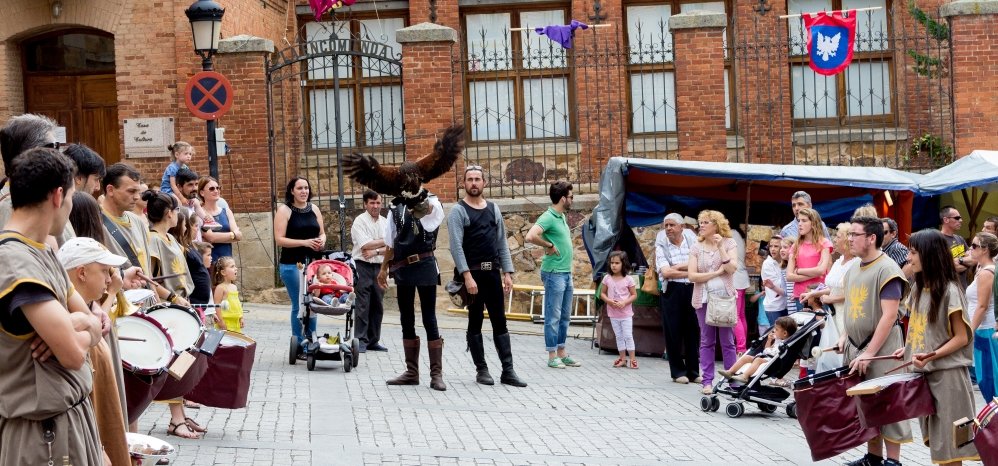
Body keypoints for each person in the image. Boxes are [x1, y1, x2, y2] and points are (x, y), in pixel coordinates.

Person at [0, 147, 105, 465]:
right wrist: (83, 328)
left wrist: (83, 325)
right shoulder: (15, 261)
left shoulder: (42, 250)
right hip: (43, 434)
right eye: (72, 197)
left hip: (68, 421)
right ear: (58, 196)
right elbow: (73, 354)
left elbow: (92, 319)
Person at [838, 216, 911, 466]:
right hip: (857, 347)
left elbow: (890, 315)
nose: (850, 239)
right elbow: (852, 307)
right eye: (849, 235)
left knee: (888, 404)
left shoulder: (887, 268)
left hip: (882, 350)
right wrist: (845, 336)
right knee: (866, 404)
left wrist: (869, 352)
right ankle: (873, 457)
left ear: (871, 238)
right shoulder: (853, 268)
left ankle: (893, 461)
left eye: (854, 234)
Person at [902, 229, 979, 465]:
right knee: (939, 445)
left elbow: (961, 338)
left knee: (952, 449)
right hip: (925, 377)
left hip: (949, 379)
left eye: (913, 252)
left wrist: (931, 354)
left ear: (929, 254)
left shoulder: (950, 290)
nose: (908, 257)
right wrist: (908, 348)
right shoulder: (918, 288)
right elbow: (922, 330)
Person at [447, 166, 527, 387]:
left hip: (492, 274)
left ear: (484, 183)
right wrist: (467, 276)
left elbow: (501, 242)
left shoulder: (493, 209)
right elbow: (456, 247)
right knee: (475, 322)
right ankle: (481, 370)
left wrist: (507, 273)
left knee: (500, 321)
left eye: (477, 179)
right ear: (464, 183)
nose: (474, 183)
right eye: (470, 179)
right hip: (472, 276)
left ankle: (508, 371)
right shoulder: (458, 211)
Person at [57, 237, 132, 466]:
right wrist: (98, 447)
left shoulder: (87, 316)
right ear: (81, 273)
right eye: (104, 271)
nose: (110, 279)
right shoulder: (66, 326)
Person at [380, 189, 447, 391]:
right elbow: (390, 243)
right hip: (403, 266)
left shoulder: (432, 200)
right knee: (406, 318)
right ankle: (412, 372)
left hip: (425, 263)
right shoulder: (394, 206)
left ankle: (436, 374)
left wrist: (419, 200)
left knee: (429, 318)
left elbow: (432, 215)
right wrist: (383, 268)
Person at [99, 163, 180, 305]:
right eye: (131, 191)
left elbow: (146, 271)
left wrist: (155, 303)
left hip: (144, 307)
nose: (137, 197)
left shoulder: (138, 222)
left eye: (138, 192)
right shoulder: (96, 223)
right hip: (117, 308)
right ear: (110, 190)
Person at [525, 181, 581, 369]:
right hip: (554, 273)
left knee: (565, 316)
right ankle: (551, 355)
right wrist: (548, 245)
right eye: (571, 196)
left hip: (566, 273)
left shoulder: (561, 216)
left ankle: (562, 352)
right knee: (553, 315)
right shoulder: (548, 217)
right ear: (563, 198)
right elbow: (530, 236)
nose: (573, 199)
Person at [687, 210, 739, 395]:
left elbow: (731, 268)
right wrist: (716, 273)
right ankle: (707, 382)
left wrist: (721, 248)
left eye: (705, 222)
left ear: (716, 225)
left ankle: (733, 381)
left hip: (724, 297)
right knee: (706, 340)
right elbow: (692, 275)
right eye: (700, 222)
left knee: (727, 341)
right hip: (703, 298)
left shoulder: (729, 243)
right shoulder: (696, 246)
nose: (701, 225)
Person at [274, 177, 325, 350]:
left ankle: (312, 340)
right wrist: (304, 242)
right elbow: (279, 239)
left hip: (313, 265)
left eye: (306, 188)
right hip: (292, 264)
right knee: (300, 303)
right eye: (300, 188)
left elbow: (322, 233)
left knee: (313, 302)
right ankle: (299, 343)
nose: (304, 191)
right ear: (292, 191)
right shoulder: (284, 210)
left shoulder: (314, 209)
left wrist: (321, 241)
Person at [655, 212, 701, 384]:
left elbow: (700, 264)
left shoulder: (692, 240)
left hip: (692, 288)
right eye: (666, 225)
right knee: (673, 331)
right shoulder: (661, 245)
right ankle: (677, 371)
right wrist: (690, 270)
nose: (668, 229)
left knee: (693, 330)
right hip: (672, 290)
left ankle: (693, 371)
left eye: (672, 225)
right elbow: (665, 272)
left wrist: (680, 268)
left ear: (681, 227)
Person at [801, 223, 859, 333]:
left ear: (847, 240)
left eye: (838, 236)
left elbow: (855, 294)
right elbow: (832, 288)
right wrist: (812, 294)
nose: (834, 240)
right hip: (833, 313)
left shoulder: (856, 264)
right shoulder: (838, 262)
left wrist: (832, 299)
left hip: (847, 314)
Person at [350, 190, 388, 352]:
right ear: (365, 204)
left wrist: (377, 250)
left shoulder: (386, 222)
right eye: (372, 203)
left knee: (377, 304)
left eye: (378, 203)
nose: (375, 206)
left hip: (379, 266)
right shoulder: (359, 221)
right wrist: (383, 242)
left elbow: (392, 246)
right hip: (362, 265)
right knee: (363, 304)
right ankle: (361, 340)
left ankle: (373, 340)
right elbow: (364, 245)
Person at [144, 191, 195, 302]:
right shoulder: (153, 239)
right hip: (165, 303)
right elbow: (148, 279)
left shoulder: (170, 237)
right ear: (169, 213)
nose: (178, 213)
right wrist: (173, 297)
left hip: (181, 301)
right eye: (177, 210)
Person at [718, 316, 798, 382]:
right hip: (765, 357)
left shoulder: (785, 344)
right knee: (746, 357)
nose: (774, 331)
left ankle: (745, 376)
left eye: (776, 329)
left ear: (784, 333)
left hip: (773, 362)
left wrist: (768, 351)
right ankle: (730, 372)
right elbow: (767, 349)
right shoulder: (777, 340)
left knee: (758, 360)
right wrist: (769, 341)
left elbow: (776, 354)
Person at [967, 232, 997, 403]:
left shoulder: (987, 272)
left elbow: (982, 306)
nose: (970, 249)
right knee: (986, 378)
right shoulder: (983, 269)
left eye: (974, 246)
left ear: (985, 250)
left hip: (985, 330)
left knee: (988, 380)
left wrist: (969, 331)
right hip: (984, 329)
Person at [786, 207, 833, 305]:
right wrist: (815, 273)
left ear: (813, 223)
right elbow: (789, 276)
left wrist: (798, 271)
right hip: (800, 295)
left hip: (818, 295)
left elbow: (821, 270)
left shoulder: (824, 243)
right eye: (799, 221)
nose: (799, 224)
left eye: (804, 220)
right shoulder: (795, 245)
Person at [600, 251, 638, 369]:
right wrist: (609, 301)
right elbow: (602, 293)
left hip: (625, 314)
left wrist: (624, 302)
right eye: (612, 263)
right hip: (613, 313)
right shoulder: (607, 278)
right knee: (618, 336)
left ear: (623, 263)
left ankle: (632, 359)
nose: (614, 265)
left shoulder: (629, 279)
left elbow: (634, 295)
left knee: (628, 335)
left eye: (617, 263)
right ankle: (622, 358)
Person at [199, 177, 241, 263]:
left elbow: (239, 236)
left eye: (218, 188)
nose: (216, 191)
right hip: (210, 262)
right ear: (202, 192)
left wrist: (220, 237)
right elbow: (211, 237)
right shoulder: (200, 214)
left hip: (227, 262)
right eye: (211, 188)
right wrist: (233, 235)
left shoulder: (226, 211)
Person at [941, 205, 974, 287]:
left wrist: (958, 261)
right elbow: (948, 268)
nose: (961, 220)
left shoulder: (960, 239)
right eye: (957, 218)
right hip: (947, 289)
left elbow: (974, 258)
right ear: (946, 219)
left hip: (963, 288)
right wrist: (966, 262)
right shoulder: (937, 240)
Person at [731, 227, 751, 354]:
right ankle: (742, 346)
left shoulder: (731, 234)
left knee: (735, 316)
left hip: (735, 279)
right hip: (741, 279)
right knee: (741, 315)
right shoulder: (738, 234)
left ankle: (741, 348)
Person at [760, 235, 788, 324]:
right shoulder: (767, 264)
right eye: (771, 246)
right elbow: (779, 285)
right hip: (774, 307)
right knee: (777, 335)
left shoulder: (786, 262)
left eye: (776, 246)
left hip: (786, 305)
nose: (772, 249)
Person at [213, 256, 244, 333]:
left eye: (235, 266)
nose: (236, 268)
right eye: (232, 266)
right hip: (225, 322)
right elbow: (217, 306)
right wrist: (221, 322)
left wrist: (241, 317)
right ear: (223, 272)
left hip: (235, 322)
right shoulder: (220, 288)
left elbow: (237, 304)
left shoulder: (234, 287)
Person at [780, 236, 797, 314]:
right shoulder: (783, 269)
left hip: (798, 302)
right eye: (781, 248)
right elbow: (785, 290)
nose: (782, 250)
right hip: (790, 306)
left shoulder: (798, 266)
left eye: (785, 247)